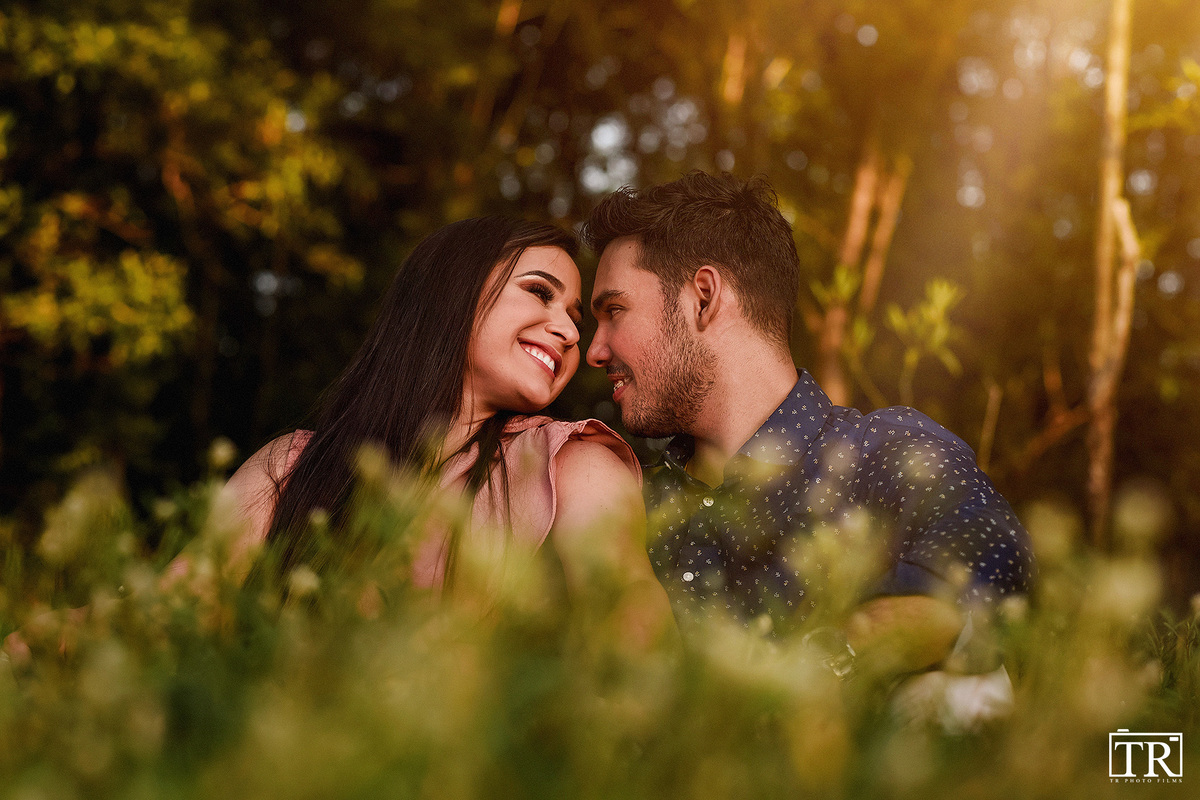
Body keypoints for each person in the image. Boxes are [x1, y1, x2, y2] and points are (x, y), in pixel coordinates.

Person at [581, 171, 1035, 688]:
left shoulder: (884, 452)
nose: (594, 350)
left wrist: (816, 666)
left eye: (614, 311)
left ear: (703, 297)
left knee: (961, 686)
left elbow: (992, 571)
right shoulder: (623, 494)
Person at [173, 217, 672, 645]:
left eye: (572, 315)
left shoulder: (571, 465)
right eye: (540, 292)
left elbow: (632, 638)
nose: (569, 332)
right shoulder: (296, 464)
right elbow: (173, 611)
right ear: (451, 292)